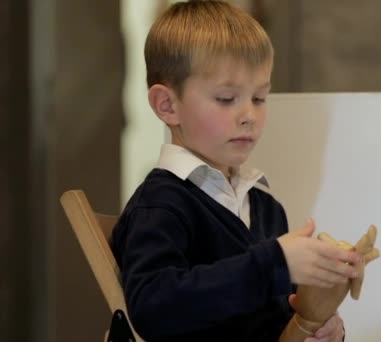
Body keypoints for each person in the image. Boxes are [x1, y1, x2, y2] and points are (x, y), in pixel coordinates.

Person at [111, 1, 361, 341]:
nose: (249, 115)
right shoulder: (160, 205)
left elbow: (269, 321)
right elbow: (154, 308)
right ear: (167, 106)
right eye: (227, 98)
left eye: (259, 98)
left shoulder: (267, 209)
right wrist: (274, 263)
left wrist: (315, 327)